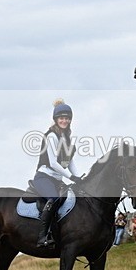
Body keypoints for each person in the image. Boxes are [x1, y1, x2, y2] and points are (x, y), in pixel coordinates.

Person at [32, 99, 84, 248]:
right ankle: (42, 237)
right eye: (61, 118)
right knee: (54, 199)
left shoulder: (67, 138)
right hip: (44, 177)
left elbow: (70, 162)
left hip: (57, 179)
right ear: (56, 119)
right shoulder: (51, 136)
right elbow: (53, 163)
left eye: (67, 118)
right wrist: (71, 177)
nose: (64, 120)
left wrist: (79, 178)